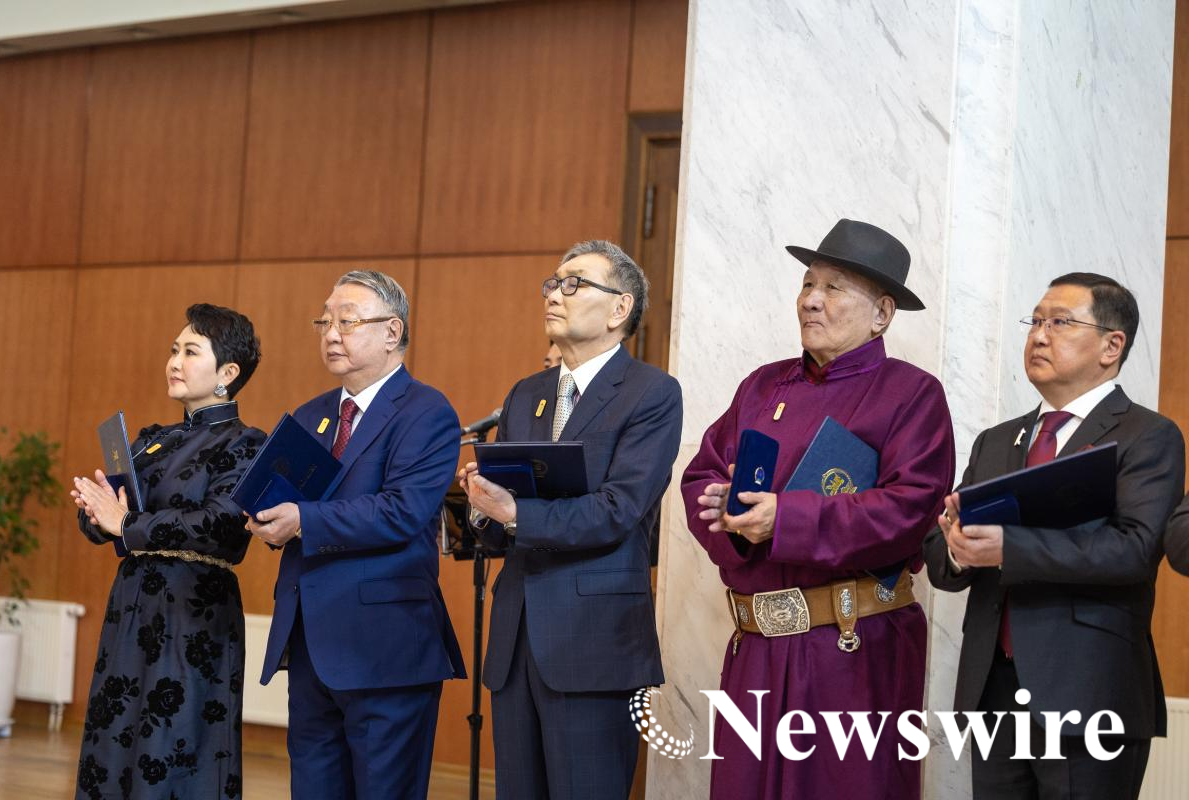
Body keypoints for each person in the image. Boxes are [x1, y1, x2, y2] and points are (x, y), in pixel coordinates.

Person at [682, 219, 955, 799]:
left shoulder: (911, 393)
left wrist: (785, 520)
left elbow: (909, 511)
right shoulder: (763, 386)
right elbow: (702, 474)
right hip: (755, 645)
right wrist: (732, 519)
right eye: (807, 283)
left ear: (882, 313)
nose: (810, 299)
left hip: (853, 647)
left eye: (833, 288)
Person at [923, 273, 1183, 800]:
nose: (1039, 336)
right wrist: (958, 549)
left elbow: (1133, 549)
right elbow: (940, 554)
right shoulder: (998, 440)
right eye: (1035, 322)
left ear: (1112, 346)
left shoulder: (1146, 435)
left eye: (1060, 322)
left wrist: (1009, 548)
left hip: (1090, 691)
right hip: (994, 693)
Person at [459, 240, 682, 800]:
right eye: (553, 283)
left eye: (574, 284)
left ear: (619, 308)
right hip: (516, 641)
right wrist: (483, 507)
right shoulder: (526, 394)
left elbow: (619, 509)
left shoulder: (651, 393)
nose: (555, 294)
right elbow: (505, 520)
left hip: (594, 643)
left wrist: (515, 512)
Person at [248, 270, 465, 800]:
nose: (330, 334)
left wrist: (303, 520)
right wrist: (267, 520)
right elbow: (290, 503)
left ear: (392, 332)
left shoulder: (427, 411)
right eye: (324, 322)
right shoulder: (312, 415)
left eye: (346, 321)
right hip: (310, 644)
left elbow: (402, 510)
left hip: (385, 648)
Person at [70, 304, 264, 800]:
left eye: (190, 352)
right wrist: (96, 513)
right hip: (131, 607)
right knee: (113, 741)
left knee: (177, 745)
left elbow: (219, 523)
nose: (174, 362)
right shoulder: (150, 441)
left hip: (195, 613)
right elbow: (107, 520)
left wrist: (126, 523)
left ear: (228, 373)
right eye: (174, 350)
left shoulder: (247, 444)